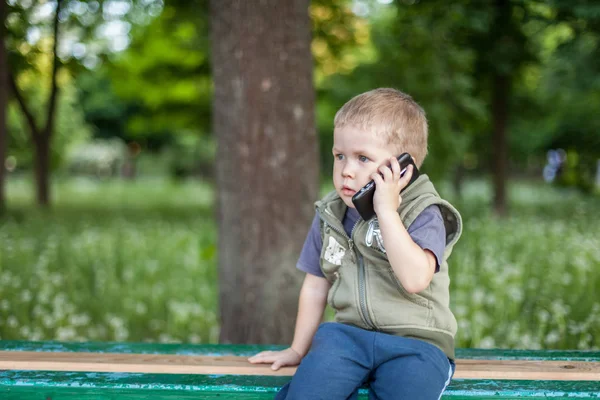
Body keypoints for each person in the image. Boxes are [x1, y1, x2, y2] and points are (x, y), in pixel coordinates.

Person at [249, 88, 463, 399]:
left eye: (363, 158)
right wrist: (298, 348)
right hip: (347, 338)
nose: (347, 170)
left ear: (403, 168)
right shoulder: (331, 214)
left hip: (417, 343)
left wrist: (386, 211)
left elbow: (415, 278)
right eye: (340, 156)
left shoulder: (424, 212)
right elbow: (315, 284)